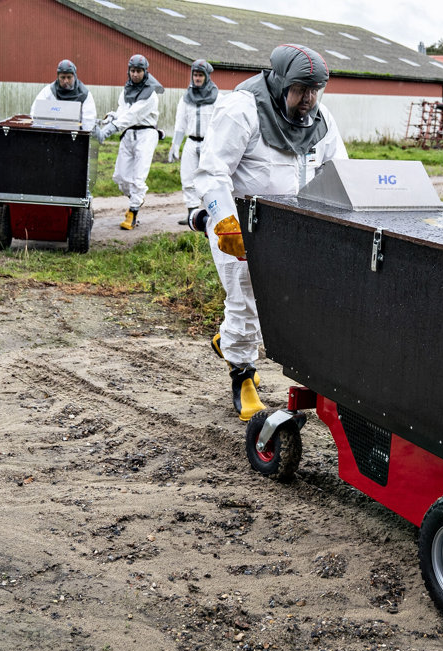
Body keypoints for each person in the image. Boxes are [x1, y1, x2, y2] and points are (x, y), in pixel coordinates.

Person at [188, 44, 347, 421]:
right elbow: (211, 172)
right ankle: (242, 376)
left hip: (292, 228)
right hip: (241, 223)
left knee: (281, 302)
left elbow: (339, 172)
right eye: (300, 89)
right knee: (244, 297)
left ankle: (229, 341)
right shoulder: (241, 110)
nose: (308, 99)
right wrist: (225, 222)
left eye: (315, 90)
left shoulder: (322, 122)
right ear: (280, 82)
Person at [94, 54, 165, 230]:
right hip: (128, 134)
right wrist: (111, 118)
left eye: (139, 71)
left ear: (145, 72)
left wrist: (109, 130)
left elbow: (133, 115)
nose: (135, 74)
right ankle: (137, 199)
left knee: (137, 177)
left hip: (146, 134)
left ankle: (133, 212)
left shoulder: (150, 94)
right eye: (132, 71)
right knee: (120, 177)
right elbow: (124, 112)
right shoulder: (126, 89)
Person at [168, 60, 219, 224]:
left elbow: (221, 123)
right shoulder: (186, 98)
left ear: (207, 76)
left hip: (208, 143)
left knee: (209, 179)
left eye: (200, 75)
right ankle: (192, 215)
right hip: (191, 142)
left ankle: (213, 214)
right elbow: (180, 122)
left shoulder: (217, 97)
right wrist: (175, 145)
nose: (197, 78)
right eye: (195, 75)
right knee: (188, 178)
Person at [30, 59, 97, 129]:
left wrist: (82, 136)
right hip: (55, 132)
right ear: (58, 77)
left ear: (74, 76)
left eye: (69, 77)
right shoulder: (49, 91)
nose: (66, 81)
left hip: (76, 132)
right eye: (62, 77)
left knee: (100, 136)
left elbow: (89, 120)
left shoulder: (84, 94)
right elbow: (35, 111)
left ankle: (109, 126)